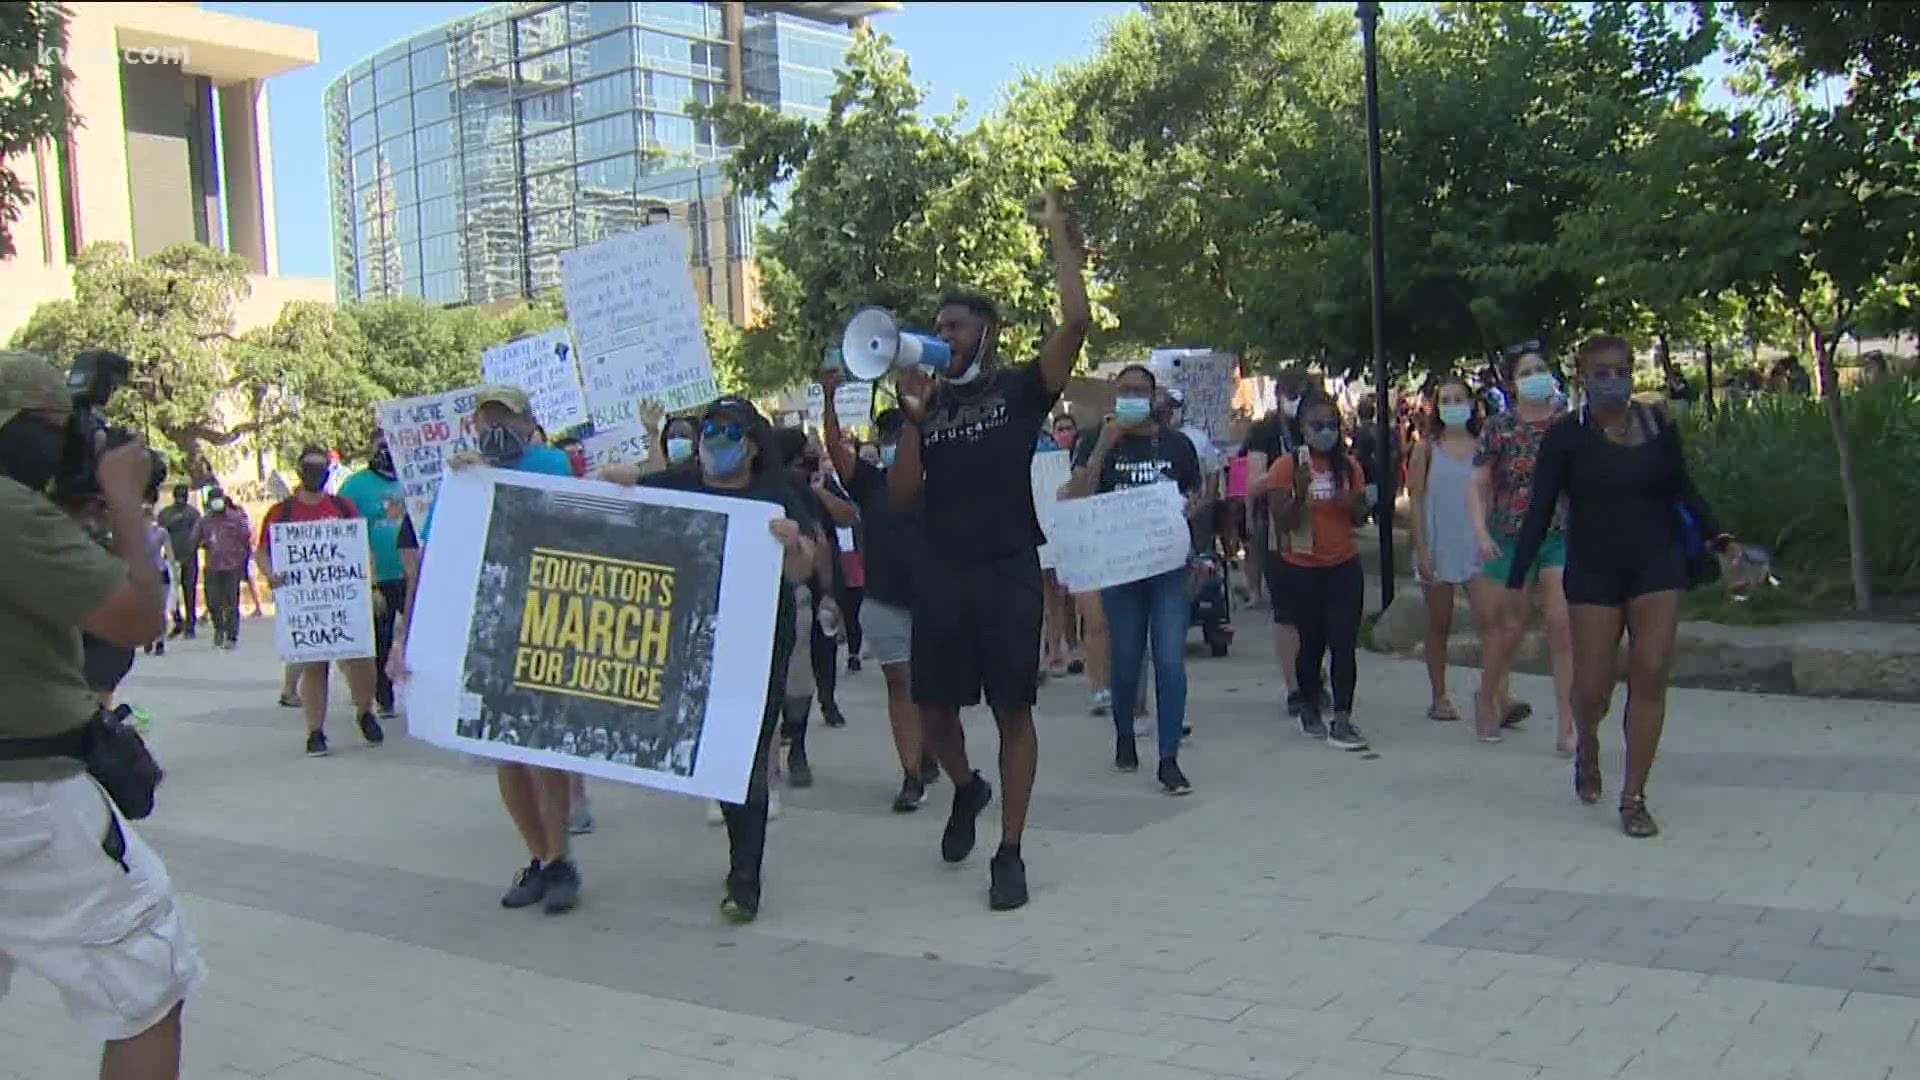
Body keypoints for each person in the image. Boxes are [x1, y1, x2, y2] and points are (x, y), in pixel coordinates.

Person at [0, 350, 201, 1080]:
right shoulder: (10, 512)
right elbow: (137, 617)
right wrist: (122, 499)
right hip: (27, 799)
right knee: (151, 982)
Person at [886, 187, 1089, 911]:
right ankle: (966, 789)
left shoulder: (1018, 388)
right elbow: (903, 496)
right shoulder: (924, 406)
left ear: (986, 334)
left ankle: (1010, 851)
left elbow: (1077, 321)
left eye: (956, 325)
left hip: (1007, 569)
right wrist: (913, 421)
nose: (944, 335)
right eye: (938, 325)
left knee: (1012, 708)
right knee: (935, 710)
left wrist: (1060, 234)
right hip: (941, 572)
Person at [1508, 336, 1736, 838]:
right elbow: (1541, 508)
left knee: (1651, 670)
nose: (1614, 379)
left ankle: (1633, 796)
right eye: (1602, 372)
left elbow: (1683, 487)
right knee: (1592, 687)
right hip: (1594, 568)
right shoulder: (1566, 437)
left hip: (1657, 562)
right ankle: (1587, 740)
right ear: (1583, 376)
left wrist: (1717, 534)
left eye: (1623, 369)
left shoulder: (1657, 425)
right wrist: (1517, 575)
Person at [602, 396, 818, 922]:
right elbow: (601, 492)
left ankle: (746, 877)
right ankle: (739, 857)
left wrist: (793, 546)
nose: (714, 440)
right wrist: (619, 475)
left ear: (750, 444)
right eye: (709, 430)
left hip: (761, 642)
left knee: (745, 760)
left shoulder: (779, 494)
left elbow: (803, 571)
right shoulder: (677, 485)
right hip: (693, 642)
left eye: (728, 430)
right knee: (718, 756)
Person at [395, 384, 587, 911]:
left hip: (547, 623)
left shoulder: (553, 464)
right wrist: (406, 640)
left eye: (505, 417)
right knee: (505, 752)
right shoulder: (462, 477)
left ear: (529, 423)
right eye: (486, 419)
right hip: (486, 630)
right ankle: (541, 859)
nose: (495, 428)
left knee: (543, 751)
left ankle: (560, 857)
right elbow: (431, 561)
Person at [1070, 365, 1202, 795]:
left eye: (1139, 390)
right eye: (1124, 390)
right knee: (1126, 657)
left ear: (1154, 396)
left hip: (1167, 567)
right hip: (1121, 570)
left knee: (1168, 658)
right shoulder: (1096, 440)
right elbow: (1077, 498)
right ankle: (1124, 732)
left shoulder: (1177, 445)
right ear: (1113, 394)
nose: (1131, 396)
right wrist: (1102, 448)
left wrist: (1192, 516)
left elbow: (1196, 496)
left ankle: (1168, 758)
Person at [823, 388, 942, 811]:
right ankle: (910, 774)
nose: (894, 446)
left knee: (934, 690)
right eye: (888, 437)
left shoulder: (943, 481)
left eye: (902, 436)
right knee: (900, 684)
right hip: (886, 600)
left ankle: (932, 750)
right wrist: (829, 397)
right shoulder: (871, 483)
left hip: (937, 600)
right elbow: (836, 449)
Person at [1474, 348, 1577, 756]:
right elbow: (1479, 480)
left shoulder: (1568, 426)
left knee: (1561, 623)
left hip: (1559, 533)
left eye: (1541, 368)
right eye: (1526, 371)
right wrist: (1481, 530)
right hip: (1513, 535)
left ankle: (1567, 725)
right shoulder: (1500, 428)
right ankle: (1488, 697)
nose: (1536, 376)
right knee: (1511, 627)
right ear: (1512, 382)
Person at [257, 445, 383, 758]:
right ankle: (315, 731)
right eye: (309, 467)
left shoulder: (343, 507)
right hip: (306, 604)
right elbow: (262, 550)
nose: (315, 473)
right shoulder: (281, 512)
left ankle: (365, 710)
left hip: (345, 599)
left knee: (361, 658)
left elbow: (360, 545)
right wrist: (271, 575)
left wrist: (372, 585)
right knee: (315, 665)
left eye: (320, 467)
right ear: (299, 471)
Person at [1263, 393, 1372, 751]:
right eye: (1317, 426)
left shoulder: (1349, 467)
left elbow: (1360, 515)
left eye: (1331, 426)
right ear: (1303, 429)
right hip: (1302, 567)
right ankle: (1308, 704)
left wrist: (1351, 503)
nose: (1325, 432)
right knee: (1311, 643)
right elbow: (1282, 520)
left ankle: (1343, 716)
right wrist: (1299, 491)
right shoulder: (1285, 467)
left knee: (1344, 642)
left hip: (1342, 565)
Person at [1406, 376, 1498, 734]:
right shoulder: (1426, 449)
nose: (1454, 404)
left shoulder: (1484, 446)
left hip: (1478, 544)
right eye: (1447, 399)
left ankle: (1494, 695)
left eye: (1460, 398)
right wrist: (1423, 549)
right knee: (1439, 623)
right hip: (1440, 544)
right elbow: (1414, 501)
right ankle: (1439, 695)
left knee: (1491, 623)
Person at [1244, 368, 1321, 718]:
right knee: (1287, 612)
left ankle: (1314, 675)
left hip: (1322, 526)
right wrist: (1286, 474)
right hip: (1281, 528)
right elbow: (1254, 482)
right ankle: (1294, 686)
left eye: (1298, 391)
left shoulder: (1321, 423)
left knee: (1318, 612)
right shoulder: (1264, 431)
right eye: (1287, 392)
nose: (1293, 399)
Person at [336, 430, 407, 720]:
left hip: (413, 573)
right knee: (381, 636)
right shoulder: (354, 487)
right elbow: (343, 531)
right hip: (377, 577)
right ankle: (384, 696)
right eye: (381, 446)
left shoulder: (412, 479)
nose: (386, 451)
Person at [190, 489, 252, 650]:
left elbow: (245, 539)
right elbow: (194, 540)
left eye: (218, 499)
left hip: (232, 565)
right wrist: (203, 543)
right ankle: (219, 628)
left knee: (231, 602)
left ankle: (231, 636)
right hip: (212, 566)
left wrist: (244, 563)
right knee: (213, 601)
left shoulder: (235, 518)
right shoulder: (204, 521)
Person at [156, 485, 201, 639]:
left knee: (189, 593)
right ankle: (178, 621)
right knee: (172, 595)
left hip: (189, 557)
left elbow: (199, 535)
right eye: (179, 495)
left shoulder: (194, 514)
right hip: (171, 558)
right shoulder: (166, 514)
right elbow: (160, 534)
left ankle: (190, 625)